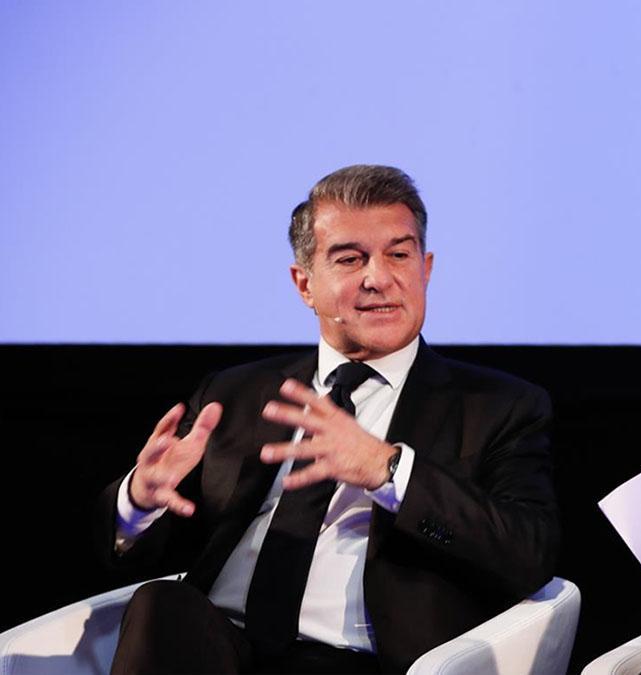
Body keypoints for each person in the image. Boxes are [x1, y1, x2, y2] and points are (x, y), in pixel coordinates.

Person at [97, 165, 559, 674]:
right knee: (162, 603)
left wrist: (388, 470)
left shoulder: (499, 407)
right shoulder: (234, 393)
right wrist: (139, 501)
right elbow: (133, 554)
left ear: (426, 269)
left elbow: (528, 553)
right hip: (218, 649)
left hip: (355, 660)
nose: (379, 278)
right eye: (349, 258)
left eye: (399, 255)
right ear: (305, 284)